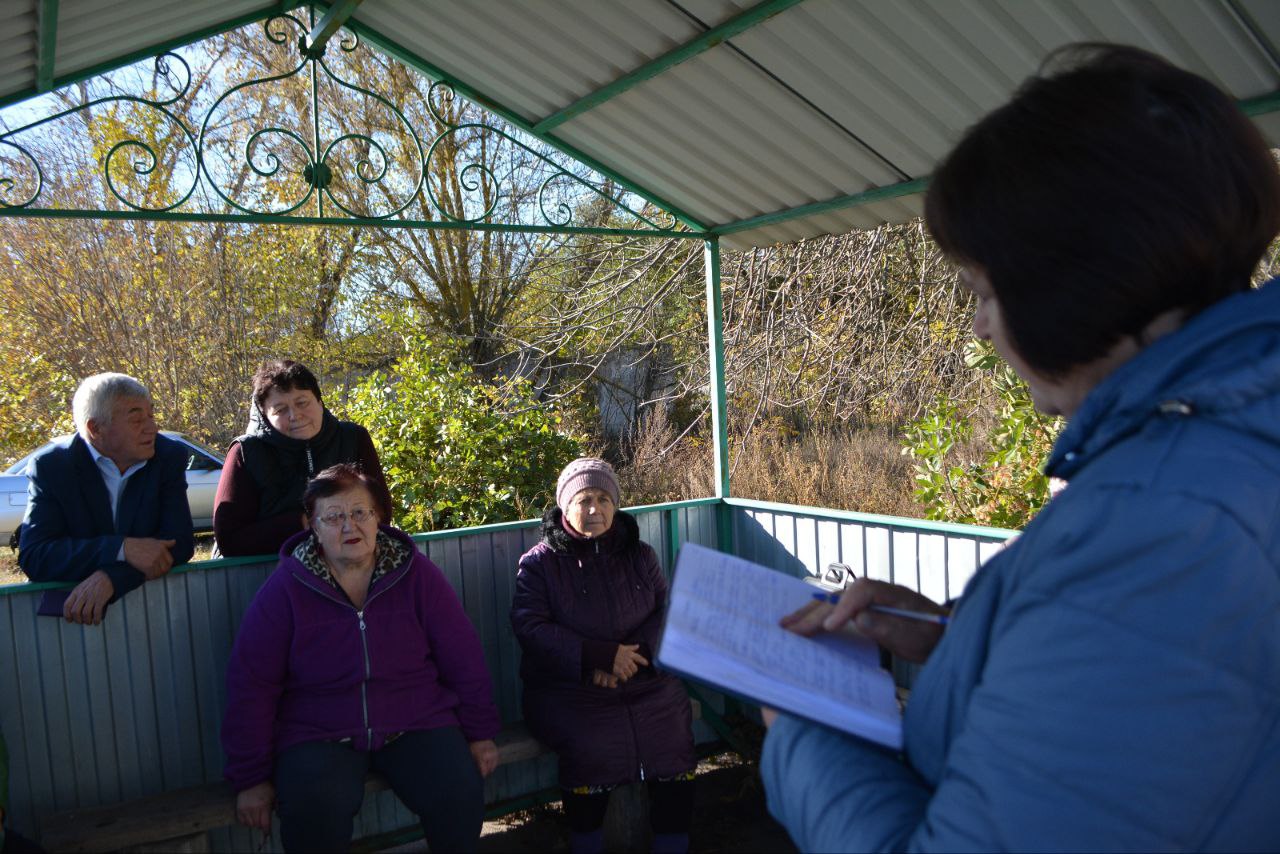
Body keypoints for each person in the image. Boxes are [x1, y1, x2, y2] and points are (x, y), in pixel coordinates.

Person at [761, 44, 1280, 851]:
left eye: (985, 292)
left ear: (1074, 283)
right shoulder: (1220, 441)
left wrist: (800, 722)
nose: (979, 326)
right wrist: (954, 636)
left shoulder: (1160, 528)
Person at [222, 463, 499, 852]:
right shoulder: (286, 589)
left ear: (378, 517)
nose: (349, 526)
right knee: (312, 813)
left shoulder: (414, 574)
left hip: (414, 719)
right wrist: (250, 777)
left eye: (360, 513)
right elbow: (252, 684)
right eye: (334, 517)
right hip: (318, 732)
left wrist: (480, 733)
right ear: (312, 526)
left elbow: (462, 655)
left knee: (458, 792)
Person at [510, 458, 696, 854]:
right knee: (592, 746)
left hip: (645, 678)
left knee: (673, 733)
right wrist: (596, 658)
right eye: (583, 499)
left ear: (616, 504)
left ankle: (672, 845)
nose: (594, 509)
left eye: (603, 499)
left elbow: (668, 611)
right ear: (564, 506)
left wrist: (631, 658)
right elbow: (532, 628)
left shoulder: (639, 554)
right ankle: (587, 843)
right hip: (570, 689)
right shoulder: (540, 563)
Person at [18, 373, 194, 625]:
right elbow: (36, 556)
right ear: (95, 428)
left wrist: (113, 576)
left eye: (151, 415)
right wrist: (121, 548)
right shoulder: (53, 467)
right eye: (136, 419)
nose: (152, 428)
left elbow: (178, 543)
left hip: (153, 620)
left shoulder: (167, 456)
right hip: (65, 628)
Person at [213, 359, 390, 556]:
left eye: (302, 403)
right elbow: (229, 540)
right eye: (280, 409)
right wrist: (302, 523)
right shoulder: (245, 452)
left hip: (350, 568)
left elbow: (381, 514)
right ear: (264, 415)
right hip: (268, 574)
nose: (295, 415)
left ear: (319, 401)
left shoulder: (353, 438)